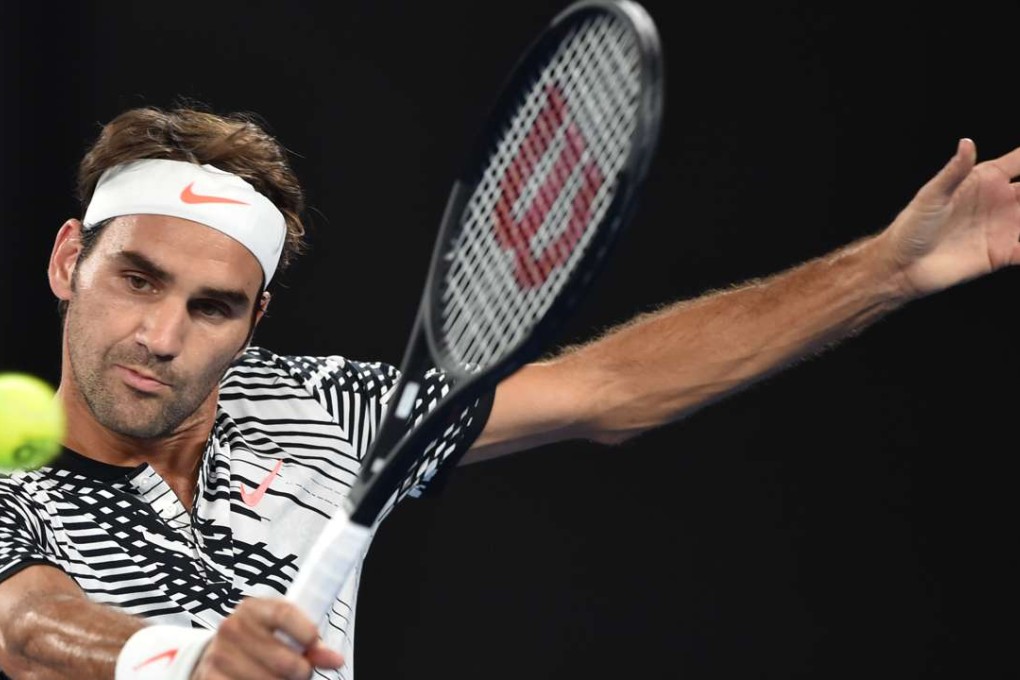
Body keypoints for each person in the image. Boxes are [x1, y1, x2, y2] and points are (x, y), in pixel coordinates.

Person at [0, 103, 1017, 680]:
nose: (162, 336)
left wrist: (892, 267)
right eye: (137, 278)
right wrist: (184, 660)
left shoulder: (333, 408)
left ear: (255, 319)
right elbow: (28, 624)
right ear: (67, 262)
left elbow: (611, 384)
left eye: (212, 306)